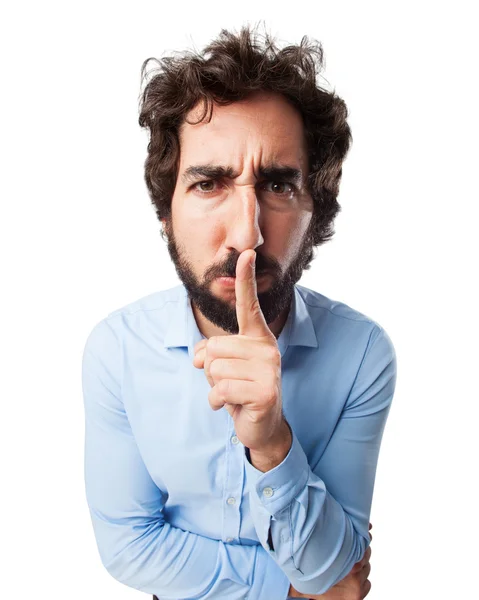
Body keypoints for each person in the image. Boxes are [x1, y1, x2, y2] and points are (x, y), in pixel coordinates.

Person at [81, 25, 396, 600]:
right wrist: (290, 588)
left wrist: (273, 441)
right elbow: (128, 543)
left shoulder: (362, 354)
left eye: (277, 184)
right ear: (165, 210)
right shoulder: (118, 350)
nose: (246, 235)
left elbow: (332, 565)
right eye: (209, 184)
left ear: (316, 211)